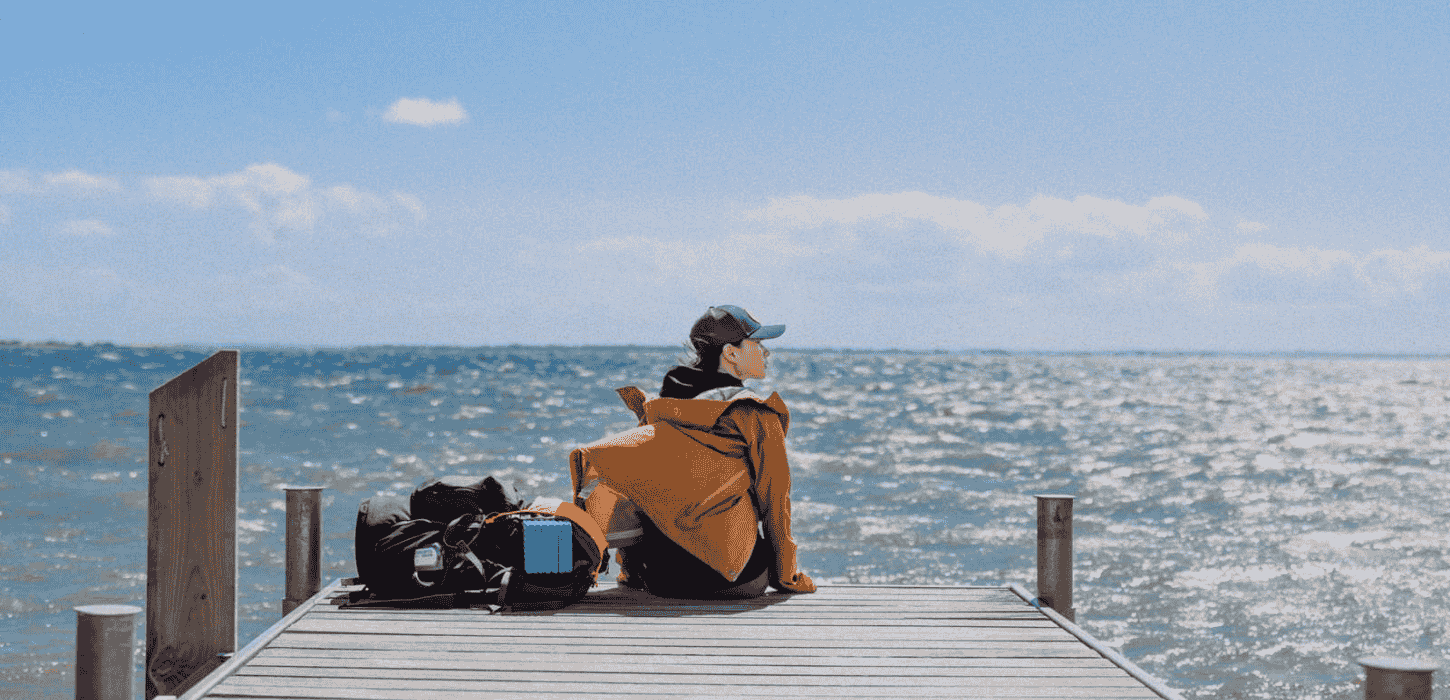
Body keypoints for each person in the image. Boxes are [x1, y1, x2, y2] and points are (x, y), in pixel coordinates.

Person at [568, 305, 816, 598]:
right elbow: (774, 501)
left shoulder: (663, 408)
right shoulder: (755, 414)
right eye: (758, 343)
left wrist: (631, 572)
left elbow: (636, 489)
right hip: (733, 579)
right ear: (731, 353)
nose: (767, 353)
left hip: (660, 578)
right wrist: (787, 577)